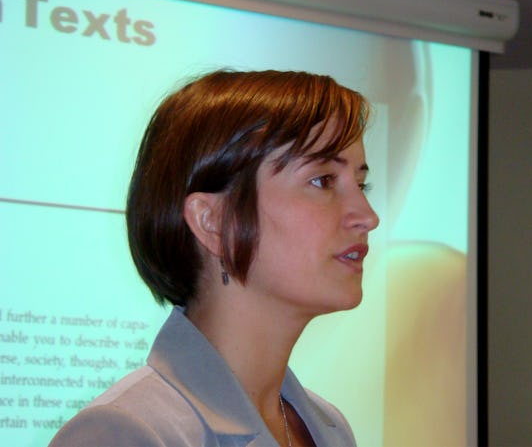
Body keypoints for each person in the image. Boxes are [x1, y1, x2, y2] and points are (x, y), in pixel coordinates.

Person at [49, 69, 379, 447]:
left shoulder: (331, 428)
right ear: (214, 222)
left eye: (361, 183)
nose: (367, 216)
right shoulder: (129, 432)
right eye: (323, 180)